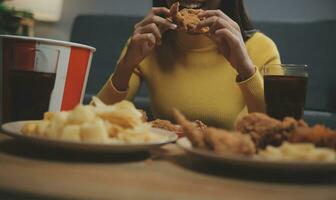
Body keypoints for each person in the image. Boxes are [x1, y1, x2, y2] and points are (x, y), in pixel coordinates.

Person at [97, 0, 281, 129]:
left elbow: (279, 132)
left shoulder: (262, 49)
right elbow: (93, 120)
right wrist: (125, 66)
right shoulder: (146, 44)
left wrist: (245, 68)